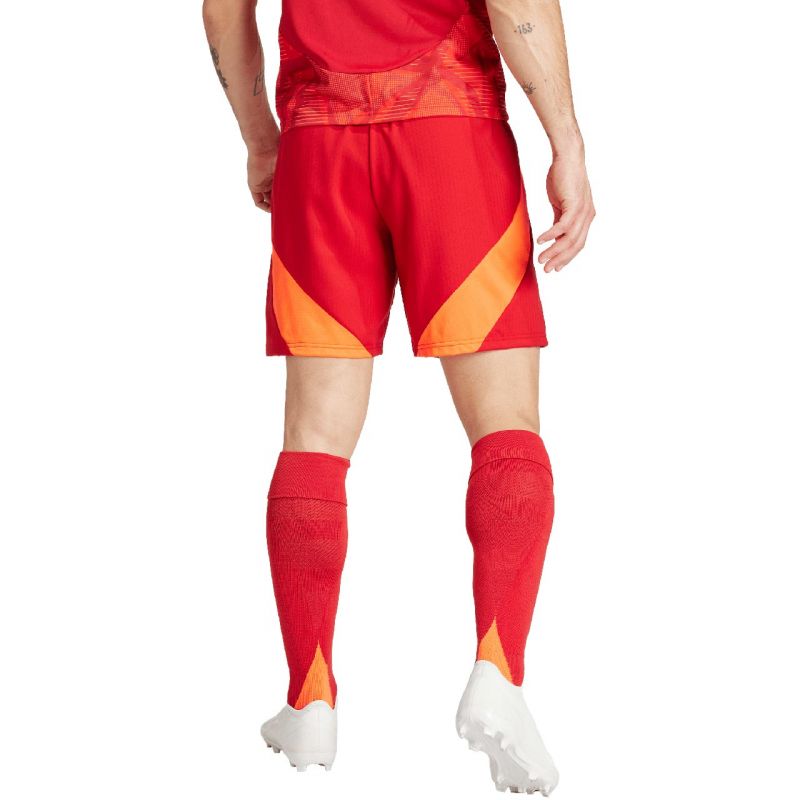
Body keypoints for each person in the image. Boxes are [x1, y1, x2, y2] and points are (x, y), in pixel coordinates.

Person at [202, 0, 594, 792]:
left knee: (315, 434)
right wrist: (567, 142)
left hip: (319, 143)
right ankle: (497, 670)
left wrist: (261, 140)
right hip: (452, 130)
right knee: (505, 424)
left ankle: (310, 695)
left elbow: (222, 7)